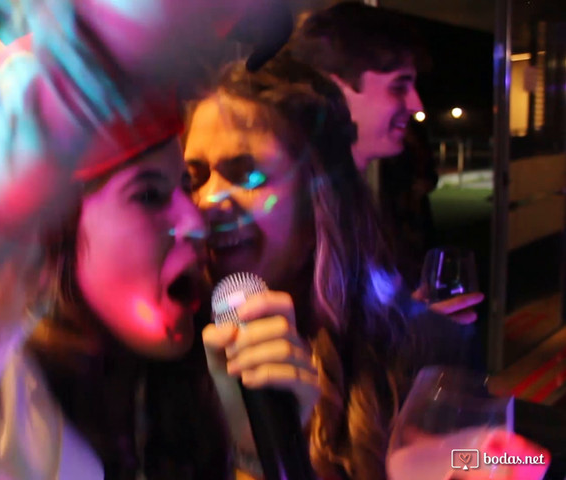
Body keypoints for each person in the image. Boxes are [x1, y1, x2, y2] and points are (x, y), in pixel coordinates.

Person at [0, 1, 307, 479]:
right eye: (148, 195)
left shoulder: (159, 387)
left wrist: (248, 444)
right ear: (52, 234)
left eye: (184, 185)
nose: (195, 219)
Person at [183, 53, 483, 480]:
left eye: (247, 174)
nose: (207, 202)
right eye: (193, 178)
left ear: (318, 201)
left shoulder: (428, 355)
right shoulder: (174, 351)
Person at [283, 1, 484, 323]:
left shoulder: (349, 197)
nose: (416, 104)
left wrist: (411, 318)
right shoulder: (299, 217)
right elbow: (320, 360)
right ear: (335, 90)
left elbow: (360, 328)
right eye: (399, 86)